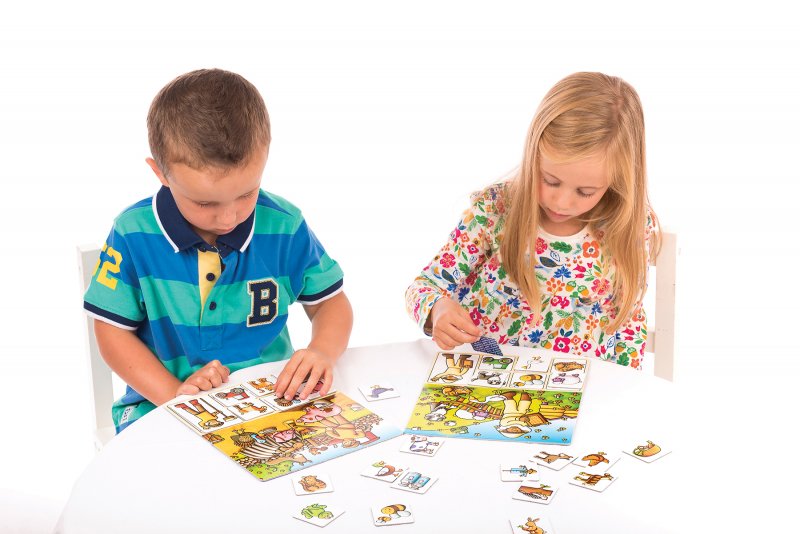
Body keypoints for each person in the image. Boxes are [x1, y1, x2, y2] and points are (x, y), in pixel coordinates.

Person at [83, 69, 353, 432]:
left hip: (272, 402)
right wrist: (174, 394)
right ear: (160, 173)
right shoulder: (132, 234)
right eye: (205, 202)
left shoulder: (284, 226)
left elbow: (330, 304)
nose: (229, 217)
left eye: (247, 193)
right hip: (159, 404)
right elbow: (112, 334)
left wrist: (322, 350)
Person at [405, 72, 660, 369]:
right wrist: (437, 309)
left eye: (585, 192)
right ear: (533, 155)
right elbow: (423, 288)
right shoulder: (495, 210)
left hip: (578, 386)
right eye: (550, 180)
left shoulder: (627, 227)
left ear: (618, 180)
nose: (561, 202)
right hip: (485, 379)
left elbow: (628, 325)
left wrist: (624, 385)